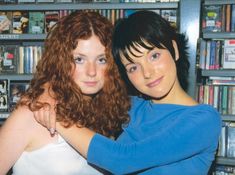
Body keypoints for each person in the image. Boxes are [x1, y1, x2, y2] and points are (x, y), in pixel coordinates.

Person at [34, 10, 222, 175]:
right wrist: (46, 93)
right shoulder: (132, 106)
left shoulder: (204, 119)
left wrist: (58, 118)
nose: (147, 73)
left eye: (154, 56)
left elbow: (123, 160)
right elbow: (73, 89)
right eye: (133, 67)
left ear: (174, 50)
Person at [0, 10, 130, 175]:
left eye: (101, 59)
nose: (92, 71)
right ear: (61, 61)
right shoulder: (33, 113)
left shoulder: (106, 113)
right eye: (79, 59)